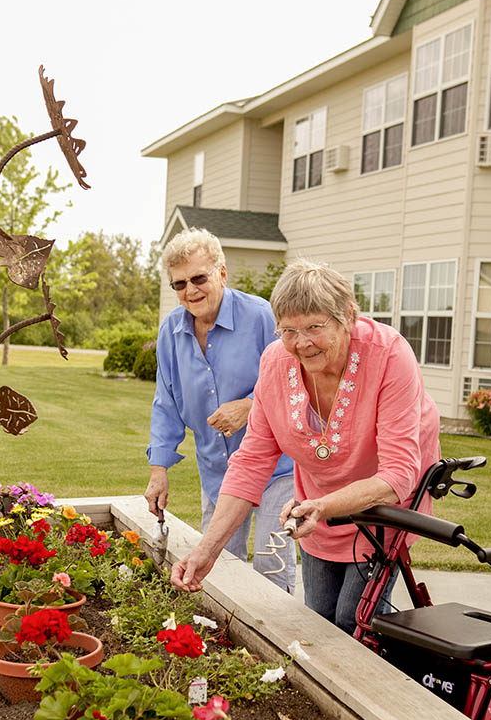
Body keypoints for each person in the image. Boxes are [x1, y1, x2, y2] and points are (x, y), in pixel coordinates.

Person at [170, 258, 441, 635]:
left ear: (347, 315)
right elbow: (251, 462)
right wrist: (207, 551)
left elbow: (399, 472)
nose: (302, 343)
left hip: (383, 505)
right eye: (288, 330)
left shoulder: (389, 355)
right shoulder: (276, 363)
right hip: (316, 501)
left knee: (354, 622)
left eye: (315, 327)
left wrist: (324, 507)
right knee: (318, 619)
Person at [144, 227, 296, 592]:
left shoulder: (260, 316)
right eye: (179, 284)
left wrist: (250, 405)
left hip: (278, 467)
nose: (190, 291)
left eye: (199, 278)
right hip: (218, 470)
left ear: (222, 273)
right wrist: (158, 469)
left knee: (269, 563)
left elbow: (296, 382)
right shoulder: (171, 332)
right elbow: (166, 402)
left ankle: (277, 647)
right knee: (220, 562)